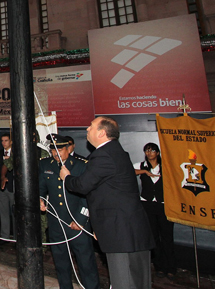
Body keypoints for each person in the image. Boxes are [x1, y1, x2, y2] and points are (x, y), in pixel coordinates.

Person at [60, 116, 155, 289]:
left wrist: (66, 177)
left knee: (123, 282)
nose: (87, 129)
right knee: (139, 281)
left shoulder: (104, 155)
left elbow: (83, 185)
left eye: (91, 126)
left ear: (102, 132)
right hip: (130, 230)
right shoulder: (117, 152)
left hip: (121, 233)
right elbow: (108, 194)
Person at [39, 134, 99, 289]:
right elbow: (41, 187)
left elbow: (89, 195)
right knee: (61, 264)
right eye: (53, 149)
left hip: (77, 224)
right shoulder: (46, 164)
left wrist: (80, 219)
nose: (55, 153)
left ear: (68, 148)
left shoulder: (81, 166)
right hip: (56, 224)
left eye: (59, 149)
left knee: (86, 264)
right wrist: (40, 199)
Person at [134, 142, 176, 279]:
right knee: (153, 237)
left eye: (152, 150)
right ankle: (159, 266)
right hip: (147, 205)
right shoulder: (141, 166)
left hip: (164, 205)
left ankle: (171, 267)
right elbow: (127, 170)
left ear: (157, 153)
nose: (149, 153)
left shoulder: (166, 166)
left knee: (167, 237)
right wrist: (144, 172)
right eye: (147, 150)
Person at [0, 133, 15, 242]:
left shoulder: (16, 153)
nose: (4, 143)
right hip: (2, 188)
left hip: (14, 187)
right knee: (3, 212)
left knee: (15, 214)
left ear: (11, 142)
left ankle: (17, 238)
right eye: (2, 141)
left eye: (6, 140)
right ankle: (4, 236)